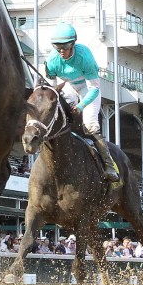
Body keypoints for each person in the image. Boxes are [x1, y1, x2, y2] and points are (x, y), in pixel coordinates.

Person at [43, 21, 119, 182]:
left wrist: (81, 105)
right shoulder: (52, 61)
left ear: (73, 44)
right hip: (68, 87)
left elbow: (94, 89)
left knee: (90, 124)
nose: (61, 51)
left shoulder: (85, 57)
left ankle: (109, 166)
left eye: (65, 47)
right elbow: (53, 89)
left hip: (88, 88)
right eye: (58, 47)